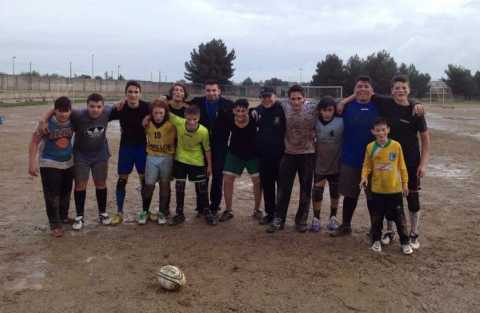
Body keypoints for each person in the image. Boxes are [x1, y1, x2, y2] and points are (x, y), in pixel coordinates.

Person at [337, 75, 429, 248]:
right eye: (396, 88)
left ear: (408, 90)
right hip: (374, 161)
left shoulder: (414, 110)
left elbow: (425, 140)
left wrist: (423, 164)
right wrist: (343, 101)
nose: (400, 91)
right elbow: (361, 93)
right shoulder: (384, 103)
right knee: (379, 196)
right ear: (391, 91)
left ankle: (412, 233)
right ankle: (386, 231)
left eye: (403, 88)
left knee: (405, 198)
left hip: (404, 161)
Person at [331, 76, 379, 237]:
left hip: (374, 161)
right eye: (359, 86)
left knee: (373, 197)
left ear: (372, 90)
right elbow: (325, 107)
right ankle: (345, 225)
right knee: (350, 195)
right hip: (350, 159)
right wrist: (344, 101)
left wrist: (416, 104)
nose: (363, 89)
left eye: (366, 86)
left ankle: (375, 228)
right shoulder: (345, 107)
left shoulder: (379, 106)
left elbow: (403, 101)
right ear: (354, 90)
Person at [267, 85, 317, 233]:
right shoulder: (283, 107)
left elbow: (335, 105)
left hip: (307, 154)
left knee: (306, 189)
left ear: (304, 99)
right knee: (283, 188)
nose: (296, 102)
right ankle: (279, 218)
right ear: (288, 100)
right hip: (288, 154)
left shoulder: (313, 109)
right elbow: (269, 102)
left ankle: (301, 220)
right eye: (293, 99)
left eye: (299, 99)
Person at [360, 117, 413, 255]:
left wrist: (405, 183)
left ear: (388, 130)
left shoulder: (396, 146)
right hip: (377, 190)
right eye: (378, 130)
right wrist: (364, 177)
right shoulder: (370, 147)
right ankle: (376, 240)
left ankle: (405, 242)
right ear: (373, 132)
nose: (381, 133)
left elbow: (402, 167)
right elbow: (367, 166)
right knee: (377, 217)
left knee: (399, 217)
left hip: (394, 189)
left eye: (383, 130)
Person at [28, 97, 75, 237]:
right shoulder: (46, 124)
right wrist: (32, 162)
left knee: (66, 193)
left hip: (68, 163)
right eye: (60, 111)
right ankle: (54, 224)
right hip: (49, 163)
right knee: (52, 195)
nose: (63, 114)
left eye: (66, 111)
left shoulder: (73, 120)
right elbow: (34, 142)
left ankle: (63, 217)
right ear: (55, 111)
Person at [190, 80, 233, 219]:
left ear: (219, 91)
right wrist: (165, 98)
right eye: (208, 90)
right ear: (204, 91)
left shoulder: (228, 105)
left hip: (220, 146)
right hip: (201, 145)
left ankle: (215, 205)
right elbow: (179, 103)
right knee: (201, 176)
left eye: (214, 90)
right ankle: (202, 206)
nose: (211, 93)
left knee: (217, 177)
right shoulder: (197, 102)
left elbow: (241, 113)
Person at [109, 80, 151, 225]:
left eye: (136, 92)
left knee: (144, 180)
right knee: (122, 180)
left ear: (140, 93)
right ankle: (119, 212)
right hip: (126, 148)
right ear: (126, 94)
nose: (133, 95)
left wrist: (150, 116)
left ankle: (145, 211)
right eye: (130, 92)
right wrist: (113, 105)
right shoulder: (120, 108)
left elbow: (164, 109)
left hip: (141, 148)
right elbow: (102, 114)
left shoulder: (147, 107)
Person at [165, 105, 214, 225]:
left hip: (197, 161)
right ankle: (179, 213)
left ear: (199, 118)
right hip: (180, 160)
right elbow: (164, 111)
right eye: (189, 119)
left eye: (195, 119)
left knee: (202, 187)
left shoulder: (203, 131)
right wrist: (163, 99)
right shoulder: (179, 122)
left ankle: (207, 212)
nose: (191, 122)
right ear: (185, 117)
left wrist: (209, 166)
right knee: (179, 186)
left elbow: (207, 149)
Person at [218, 99, 262, 222]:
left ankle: (257, 210)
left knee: (257, 181)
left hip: (253, 154)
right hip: (234, 153)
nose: (241, 113)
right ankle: (228, 210)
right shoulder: (229, 118)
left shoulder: (254, 117)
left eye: (243, 111)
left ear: (247, 110)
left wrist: (255, 110)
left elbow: (259, 109)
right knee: (227, 180)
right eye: (238, 111)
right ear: (234, 111)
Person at [252, 87, 286, 225]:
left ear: (275, 96)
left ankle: (280, 215)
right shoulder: (258, 110)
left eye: (269, 96)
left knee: (282, 187)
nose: (266, 99)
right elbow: (253, 113)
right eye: (264, 96)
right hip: (264, 156)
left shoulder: (282, 109)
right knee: (267, 186)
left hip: (281, 156)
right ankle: (270, 213)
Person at [310, 96, 343, 232]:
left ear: (334, 110)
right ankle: (316, 218)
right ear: (320, 111)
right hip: (320, 163)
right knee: (317, 192)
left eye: (330, 110)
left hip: (336, 163)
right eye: (324, 110)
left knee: (335, 193)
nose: (327, 113)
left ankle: (333, 218)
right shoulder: (315, 123)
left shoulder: (341, 121)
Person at [141, 99, 176, 225]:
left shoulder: (172, 125)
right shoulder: (147, 123)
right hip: (151, 157)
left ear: (165, 113)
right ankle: (145, 211)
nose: (158, 116)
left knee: (165, 185)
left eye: (161, 113)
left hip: (167, 157)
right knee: (149, 185)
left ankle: (162, 212)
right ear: (151, 113)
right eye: (155, 113)